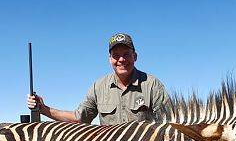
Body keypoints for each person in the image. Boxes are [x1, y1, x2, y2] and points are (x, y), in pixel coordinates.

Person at [27, 33, 171, 125]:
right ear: (110, 59)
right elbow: (79, 118)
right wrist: (44, 109)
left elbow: (169, 123)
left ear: (135, 56)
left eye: (126, 54)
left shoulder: (152, 85)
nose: (121, 60)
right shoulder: (99, 87)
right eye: (116, 55)